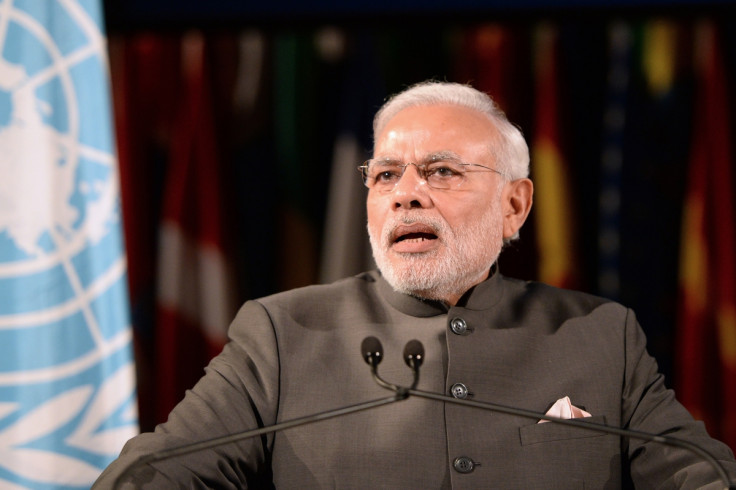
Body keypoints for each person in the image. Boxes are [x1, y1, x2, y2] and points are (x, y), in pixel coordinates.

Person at [95, 81, 736, 489]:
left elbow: (700, 477)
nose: (406, 195)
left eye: (440, 172)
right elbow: (158, 475)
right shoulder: (283, 334)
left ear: (515, 205)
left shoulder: (600, 336)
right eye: (385, 176)